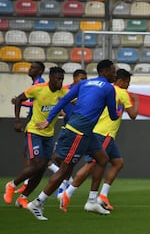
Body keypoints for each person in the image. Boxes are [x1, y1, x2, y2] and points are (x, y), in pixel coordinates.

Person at [26, 59, 120, 221]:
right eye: (113, 71)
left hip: (84, 130)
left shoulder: (85, 84)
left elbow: (63, 100)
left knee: (102, 159)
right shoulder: (109, 88)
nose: (115, 74)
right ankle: (37, 202)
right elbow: (112, 115)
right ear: (104, 71)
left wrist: (49, 119)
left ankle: (92, 201)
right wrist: (119, 109)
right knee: (65, 170)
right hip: (79, 132)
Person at [58, 68, 139, 212]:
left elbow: (77, 101)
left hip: (102, 133)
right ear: (121, 81)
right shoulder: (121, 92)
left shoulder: (103, 90)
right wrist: (136, 101)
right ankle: (68, 193)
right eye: (127, 82)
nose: (128, 86)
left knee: (118, 162)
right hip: (104, 133)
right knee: (92, 164)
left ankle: (102, 196)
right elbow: (133, 115)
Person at [3, 66, 67, 209]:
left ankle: (23, 198)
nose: (61, 82)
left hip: (49, 135)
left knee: (42, 168)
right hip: (34, 132)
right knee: (37, 164)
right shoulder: (38, 89)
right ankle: (11, 185)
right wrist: (17, 120)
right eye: (58, 79)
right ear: (51, 78)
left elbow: (77, 101)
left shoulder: (63, 92)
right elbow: (19, 99)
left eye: (62, 79)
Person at [10, 61, 46, 194]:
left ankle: (26, 183)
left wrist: (20, 102)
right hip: (33, 121)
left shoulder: (39, 83)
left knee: (35, 157)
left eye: (33, 68)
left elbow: (36, 104)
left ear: (40, 71)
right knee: (29, 154)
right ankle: (26, 182)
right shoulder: (35, 83)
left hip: (36, 123)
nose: (30, 69)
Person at [54, 69, 88, 196]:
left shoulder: (86, 92)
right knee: (57, 156)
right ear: (74, 78)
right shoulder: (65, 90)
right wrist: (59, 111)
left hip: (77, 128)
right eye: (81, 78)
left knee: (69, 158)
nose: (84, 81)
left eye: (85, 78)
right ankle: (68, 180)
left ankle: (64, 184)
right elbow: (56, 101)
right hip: (66, 126)